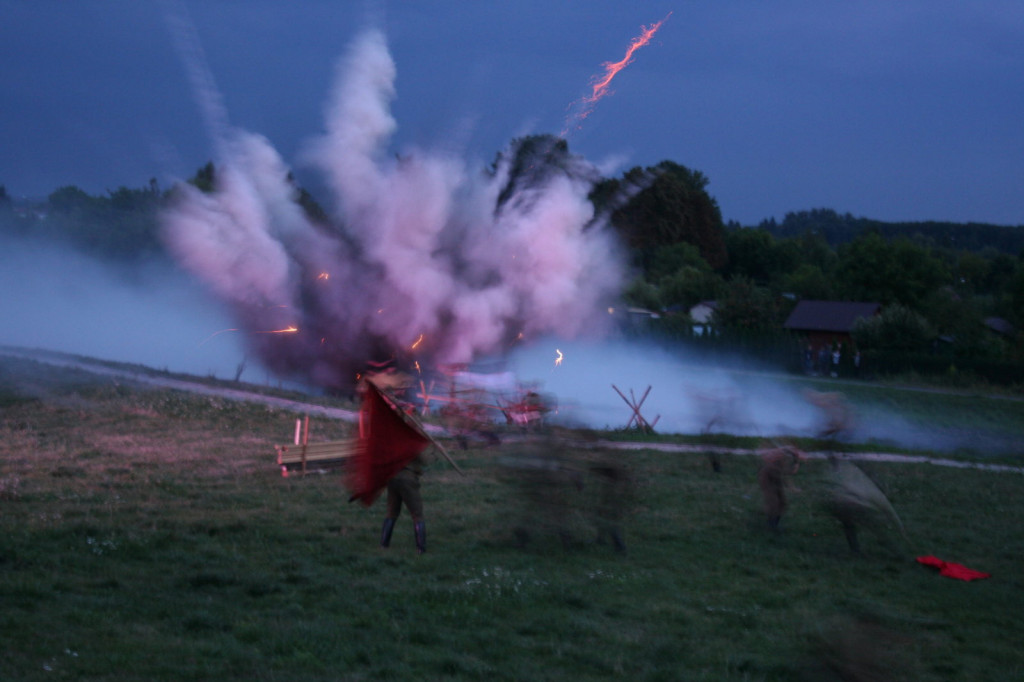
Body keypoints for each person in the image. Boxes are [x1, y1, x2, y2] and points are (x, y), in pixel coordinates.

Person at [379, 451, 431, 554]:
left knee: (391, 512)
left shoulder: (395, 441)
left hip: (393, 477)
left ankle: (384, 544)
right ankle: (421, 549)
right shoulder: (412, 443)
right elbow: (425, 460)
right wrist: (435, 450)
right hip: (408, 479)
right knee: (417, 515)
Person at [756, 442, 804, 531]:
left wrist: (795, 465)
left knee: (782, 501)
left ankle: (775, 523)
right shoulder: (782, 456)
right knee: (773, 501)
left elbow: (786, 474)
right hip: (767, 478)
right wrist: (793, 488)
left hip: (776, 477)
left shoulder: (788, 457)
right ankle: (771, 525)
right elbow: (785, 476)